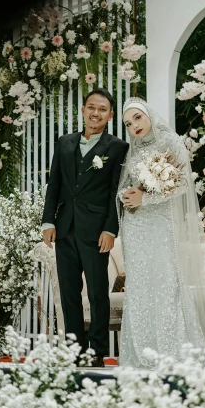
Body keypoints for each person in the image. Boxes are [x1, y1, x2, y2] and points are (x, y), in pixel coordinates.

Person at [118, 98, 205, 369]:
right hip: (135, 226)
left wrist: (145, 198)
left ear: (149, 115)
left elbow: (182, 184)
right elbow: (124, 185)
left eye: (137, 117)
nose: (133, 125)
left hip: (161, 223)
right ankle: (142, 353)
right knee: (139, 288)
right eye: (128, 123)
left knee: (165, 283)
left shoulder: (170, 141)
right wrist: (127, 196)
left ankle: (172, 350)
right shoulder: (133, 151)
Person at [42, 88, 128, 367]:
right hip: (64, 228)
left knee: (97, 293)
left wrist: (110, 230)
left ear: (110, 115)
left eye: (102, 109)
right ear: (82, 110)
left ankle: (98, 353)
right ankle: (75, 351)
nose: (95, 113)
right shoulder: (65, 142)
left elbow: (116, 191)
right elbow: (54, 184)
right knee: (69, 293)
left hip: (96, 232)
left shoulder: (117, 148)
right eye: (91, 107)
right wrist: (48, 221)